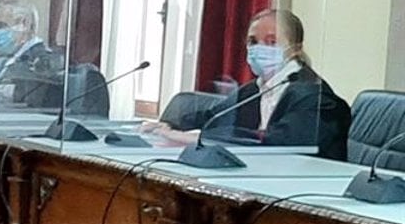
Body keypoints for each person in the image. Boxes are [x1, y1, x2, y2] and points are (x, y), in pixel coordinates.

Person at [139, 9, 351, 159]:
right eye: (252, 42)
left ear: (295, 49)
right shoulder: (254, 89)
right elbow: (213, 117)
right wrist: (169, 125)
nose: (259, 49)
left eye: (271, 42)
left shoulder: (316, 95)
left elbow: (276, 143)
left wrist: (194, 138)